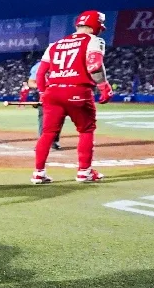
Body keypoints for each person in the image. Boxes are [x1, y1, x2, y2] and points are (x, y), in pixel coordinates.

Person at [32, 10, 113, 184]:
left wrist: (42, 92)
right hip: (78, 91)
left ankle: (38, 173)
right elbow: (95, 66)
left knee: (47, 133)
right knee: (86, 130)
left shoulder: (55, 44)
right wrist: (103, 86)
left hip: (53, 92)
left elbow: (40, 74)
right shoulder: (93, 40)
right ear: (96, 25)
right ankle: (84, 172)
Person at [26, 59, 62, 150]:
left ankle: (54, 141)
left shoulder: (63, 63)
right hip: (44, 95)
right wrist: (42, 86)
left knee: (59, 118)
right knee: (43, 118)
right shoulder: (39, 66)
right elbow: (31, 82)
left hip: (60, 94)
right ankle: (42, 142)